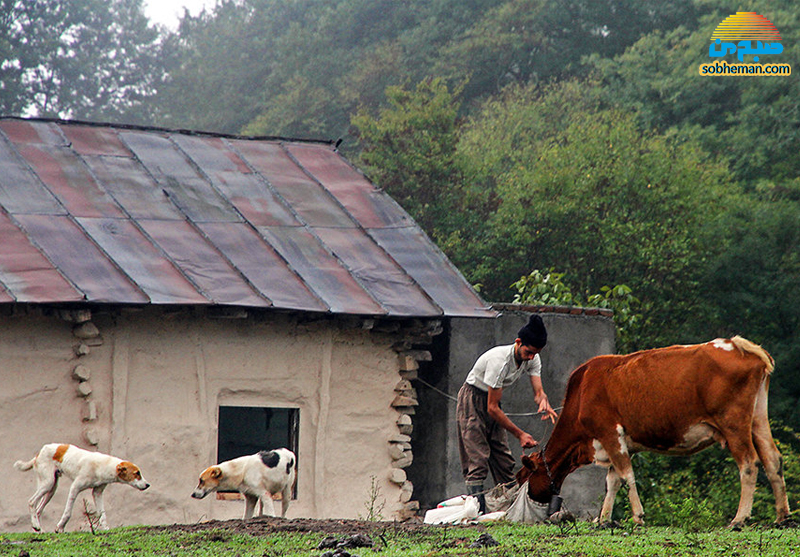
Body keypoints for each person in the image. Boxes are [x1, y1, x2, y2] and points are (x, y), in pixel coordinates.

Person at [456, 314, 557, 512]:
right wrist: (520, 434)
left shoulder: (533, 358)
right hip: (473, 399)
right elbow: (491, 408)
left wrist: (543, 400)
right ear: (518, 343)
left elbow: (538, 391)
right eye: (528, 352)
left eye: (535, 354)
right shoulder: (499, 362)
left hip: (493, 402)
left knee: (503, 458)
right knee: (477, 458)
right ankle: (477, 513)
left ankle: (510, 511)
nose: (530, 357)